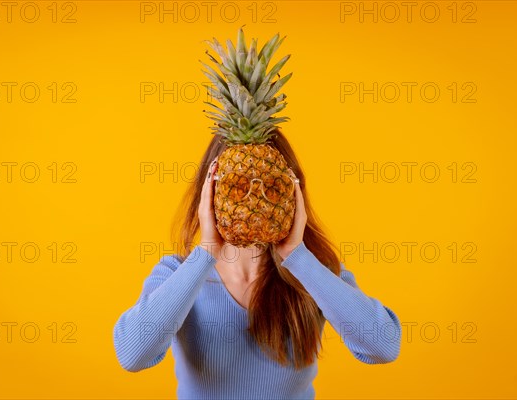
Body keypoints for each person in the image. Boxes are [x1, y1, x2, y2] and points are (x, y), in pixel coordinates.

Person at [113, 129, 402, 399]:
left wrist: (297, 256)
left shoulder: (315, 273)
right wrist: (206, 253)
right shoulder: (178, 273)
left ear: (293, 191)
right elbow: (132, 354)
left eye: (271, 186)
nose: (256, 200)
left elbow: (384, 346)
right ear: (209, 192)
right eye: (237, 186)